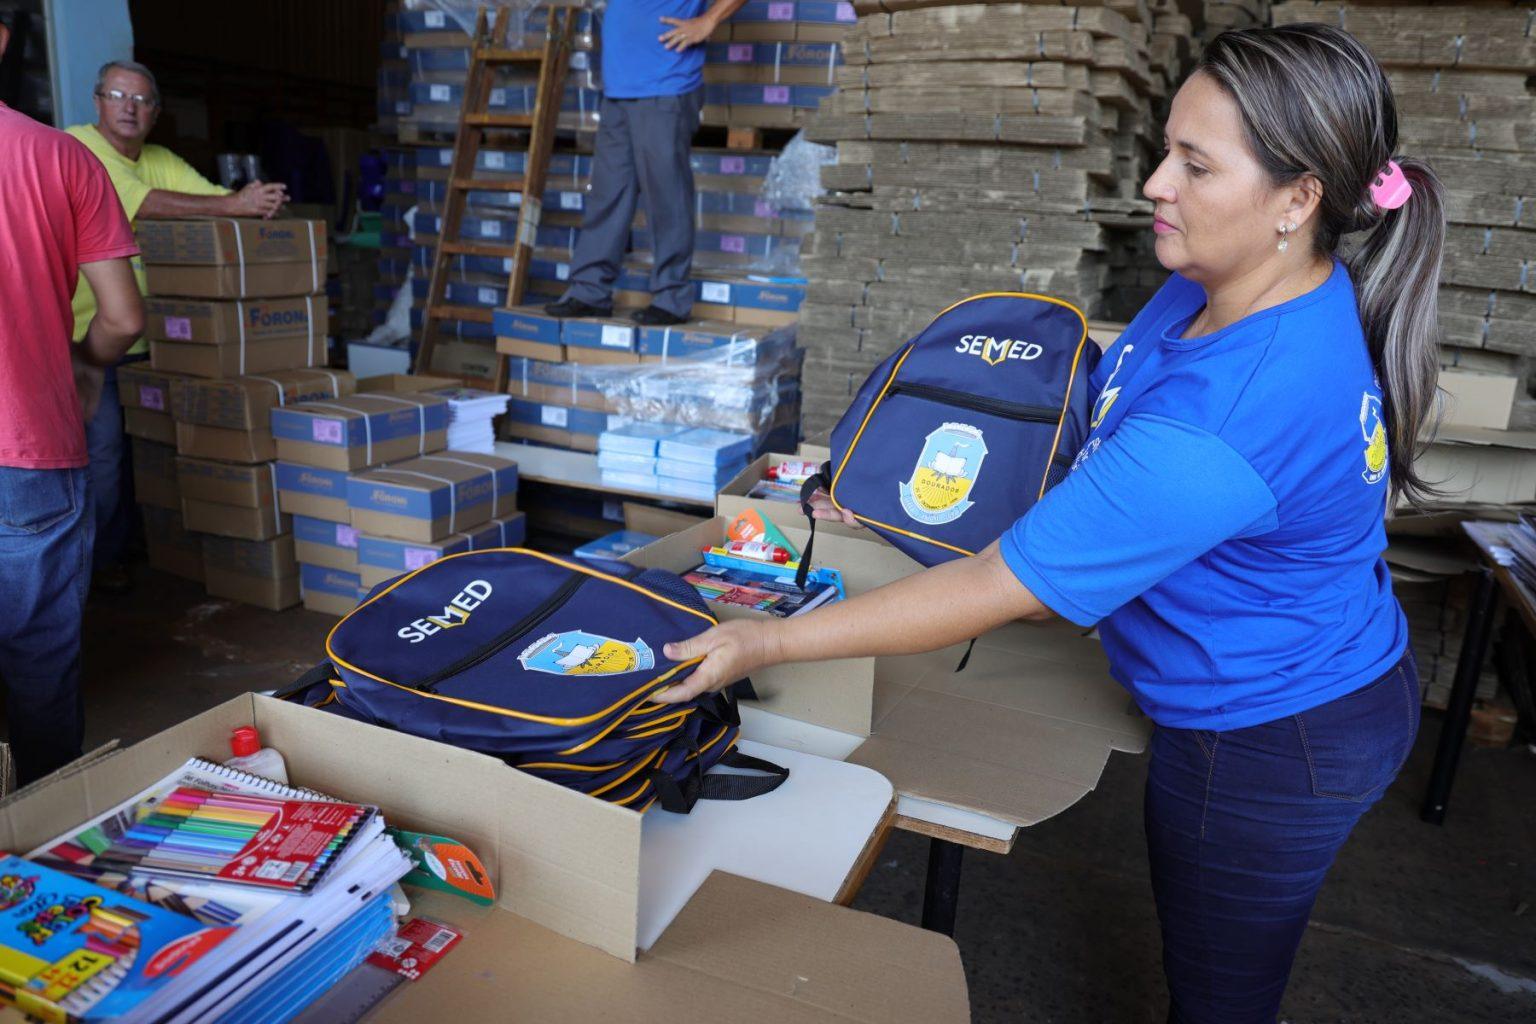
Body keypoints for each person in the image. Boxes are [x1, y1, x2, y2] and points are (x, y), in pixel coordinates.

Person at [653, 24, 1444, 1023]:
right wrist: (899, 485)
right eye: (1165, 148)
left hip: (1274, 734)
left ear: (1299, 198)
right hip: (1321, 664)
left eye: (1195, 165)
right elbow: (1096, 444)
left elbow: (1007, 594)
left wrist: (764, 637)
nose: (1156, 183)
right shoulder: (1219, 290)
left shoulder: (1236, 409)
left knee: (1220, 998)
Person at [67, 60, 287, 593]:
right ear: (97, 101)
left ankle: (137, 553)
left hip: (157, 340)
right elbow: (141, 207)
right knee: (101, 458)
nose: (129, 107)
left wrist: (250, 205)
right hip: (89, 340)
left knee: (154, 457)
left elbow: (216, 206)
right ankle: (89, 574)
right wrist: (235, 203)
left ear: (156, 113)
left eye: (141, 100)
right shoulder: (77, 148)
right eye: (118, 95)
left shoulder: (160, 158)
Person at [0, 19, 145, 785]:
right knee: (38, 656)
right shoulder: (62, 158)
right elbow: (122, 317)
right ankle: (40, 839)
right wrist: (88, 368)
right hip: (26, 443)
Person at [545, 0, 747, 327]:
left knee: (666, 196)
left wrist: (708, 20)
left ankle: (671, 298)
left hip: (665, 84)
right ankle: (589, 291)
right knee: (607, 196)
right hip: (618, 87)